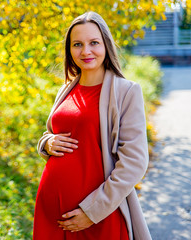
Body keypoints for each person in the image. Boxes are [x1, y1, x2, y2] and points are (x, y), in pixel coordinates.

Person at [33, 11, 152, 240]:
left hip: (98, 217)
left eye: (94, 43)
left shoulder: (126, 91)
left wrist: (92, 211)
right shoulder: (66, 89)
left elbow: (135, 162)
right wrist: (46, 143)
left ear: (106, 45)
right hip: (51, 214)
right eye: (77, 44)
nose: (85, 51)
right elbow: (54, 133)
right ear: (69, 50)